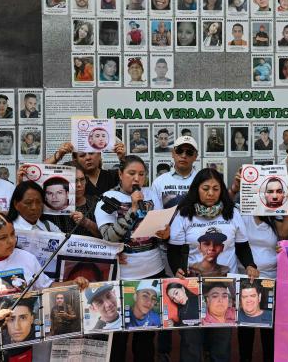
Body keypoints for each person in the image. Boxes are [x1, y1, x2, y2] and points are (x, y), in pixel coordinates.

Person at [168, 168, 259, 362]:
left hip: (224, 288)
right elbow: (174, 249)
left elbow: (242, 246)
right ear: (197, 189)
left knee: (221, 342)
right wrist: (177, 268)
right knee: (191, 342)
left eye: (216, 189)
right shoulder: (185, 214)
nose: (211, 193)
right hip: (192, 289)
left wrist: (250, 265)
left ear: (222, 190)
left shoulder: (232, 213)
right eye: (206, 188)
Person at [94, 155, 166, 361]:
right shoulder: (107, 199)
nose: (137, 179)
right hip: (123, 274)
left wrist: (165, 232)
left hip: (153, 269)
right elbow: (109, 237)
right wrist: (133, 209)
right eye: (131, 173)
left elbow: (159, 226)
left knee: (146, 332)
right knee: (119, 333)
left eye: (141, 174)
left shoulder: (152, 193)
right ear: (120, 174)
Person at [0, 212, 87, 302]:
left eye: (12, 234)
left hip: (24, 340)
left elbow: (45, 288)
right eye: (3, 238)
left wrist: (72, 284)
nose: (11, 241)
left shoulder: (27, 258)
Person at [47, 140, 125, 197]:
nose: (88, 157)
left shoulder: (112, 175)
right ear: (75, 159)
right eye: (82, 155)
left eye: (91, 153)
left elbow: (133, 177)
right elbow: (38, 172)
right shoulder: (69, 175)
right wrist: (58, 155)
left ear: (100, 154)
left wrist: (122, 158)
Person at [238, 280, 273, 361]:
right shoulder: (237, 316)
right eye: (244, 297)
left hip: (271, 282)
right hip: (244, 277)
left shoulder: (269, 315)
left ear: (259, 297)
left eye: (253, 296)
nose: (249, 300)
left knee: (269, 343)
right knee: (244, 346)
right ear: (240, 299)